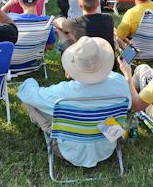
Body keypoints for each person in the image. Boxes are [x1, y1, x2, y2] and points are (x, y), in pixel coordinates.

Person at [18, 36, 130, 168]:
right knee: (101, 114)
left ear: (72, 66)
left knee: (29, 102)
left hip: (71, 152)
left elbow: (27, 94)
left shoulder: (63, 92)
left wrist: (30, 81)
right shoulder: (120, 82)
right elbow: (128, 106)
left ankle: (55, 133)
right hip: (106, 147)